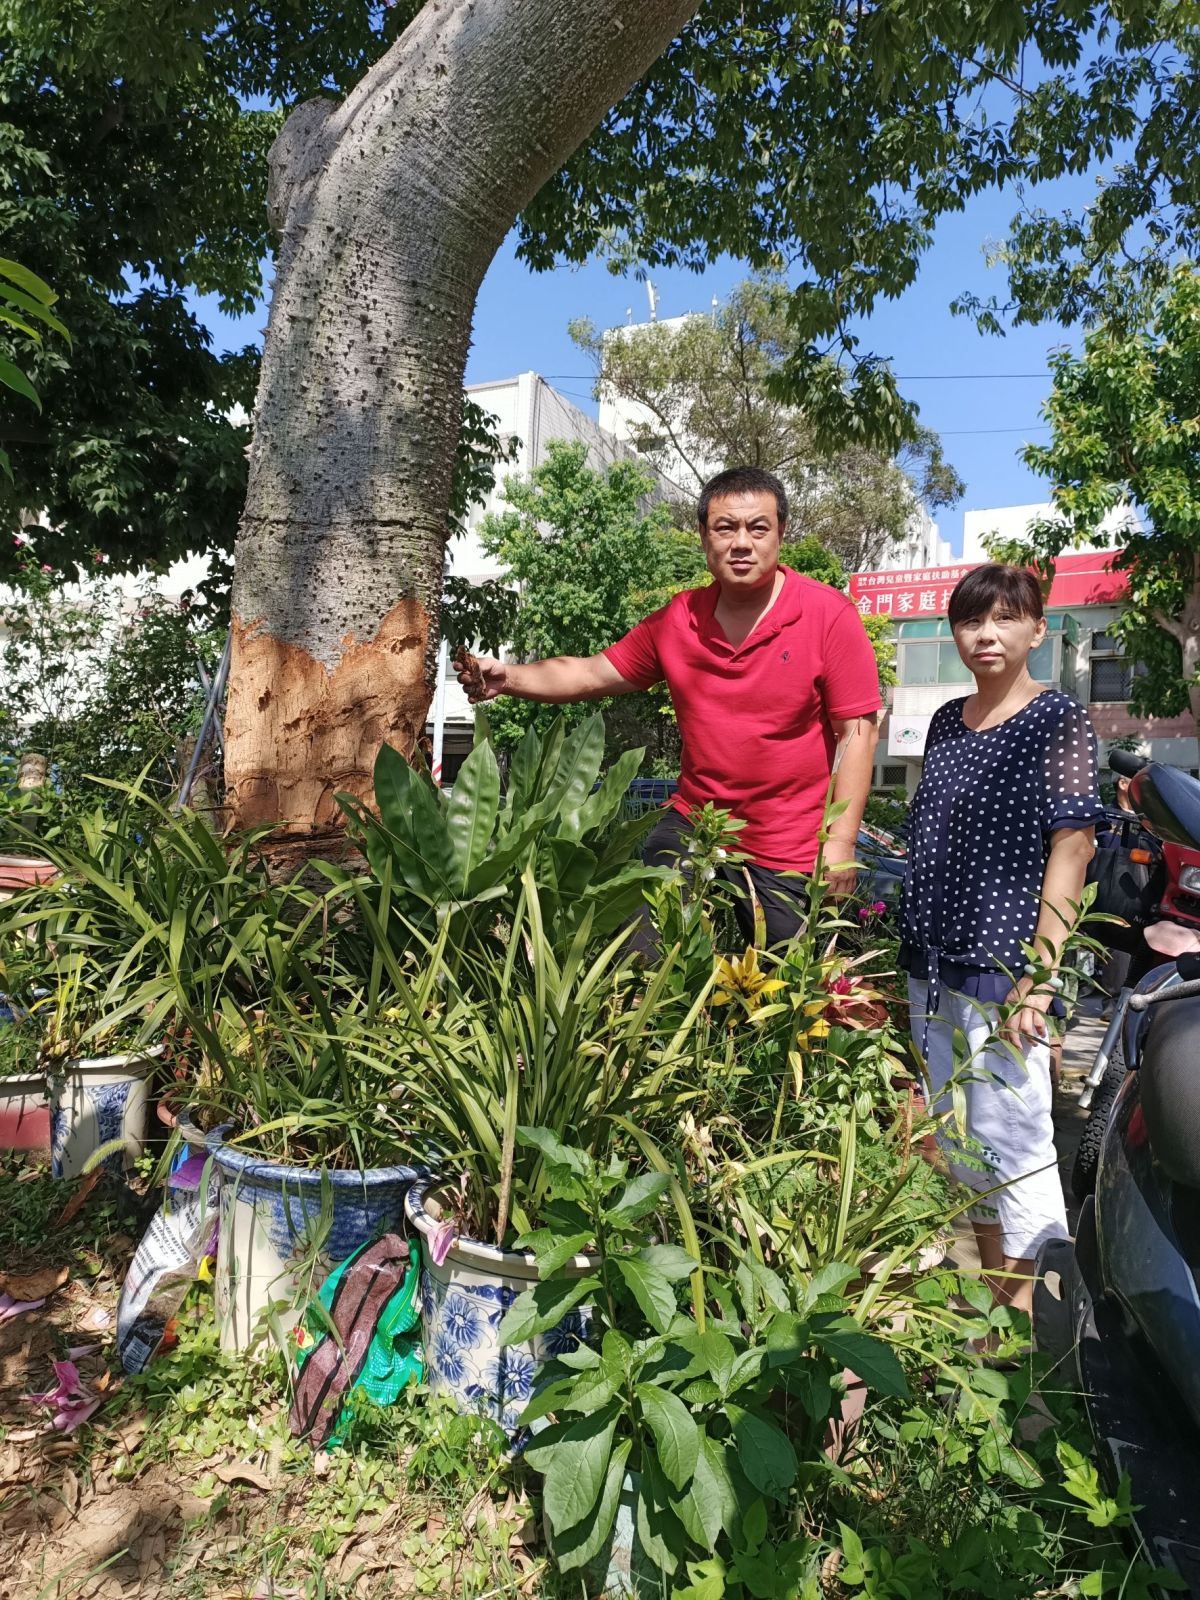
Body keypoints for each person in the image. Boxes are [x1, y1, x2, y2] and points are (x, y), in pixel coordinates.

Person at [454, 465, 881, 945]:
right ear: (704, 536)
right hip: (698, 822)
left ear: (780, 533)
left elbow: (858, 733)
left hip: (791, 841)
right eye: (725, 527)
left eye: (757, 527)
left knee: (816, 988)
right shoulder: (679, 620)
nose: (742, 542)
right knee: (640, 951)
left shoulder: (828, 616)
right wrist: (507, 677)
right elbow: (591, 672)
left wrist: (841, 843)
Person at [901, 563, 1102, 1318]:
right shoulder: (949, 721)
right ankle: (990, 1321)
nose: (986, 635)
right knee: (961, 1142)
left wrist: (1043, 976)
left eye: (1004, 620)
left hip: (1003, 967)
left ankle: (1029, 1329)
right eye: (970, 622)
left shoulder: (1059, 720)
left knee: (1015, 1142)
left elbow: (1073, 847)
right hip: (932, 960)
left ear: (1035, 630)